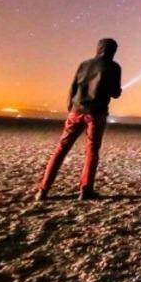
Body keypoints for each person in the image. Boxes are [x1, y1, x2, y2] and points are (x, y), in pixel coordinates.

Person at [35, 38, 122, 201]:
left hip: (76, 111)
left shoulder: (84, 64)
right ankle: (85, 189)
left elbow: (73, 86)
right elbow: (115, 92)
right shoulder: (113, 66)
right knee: (92, 151)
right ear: (112, 50)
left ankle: (43, 190)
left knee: (61, 149)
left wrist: (71, 108)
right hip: (96, 113)